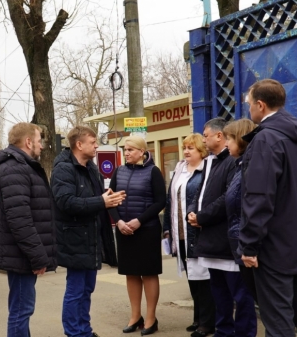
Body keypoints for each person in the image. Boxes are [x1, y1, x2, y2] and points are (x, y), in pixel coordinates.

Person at [239, 79, 297, 336]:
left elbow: (259, 196)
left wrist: (250, 244)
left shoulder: (265, 140)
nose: (248, 109)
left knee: (278, 322)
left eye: (249, 104)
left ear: (261, 105)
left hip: (272, 248)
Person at [51, 125, 124, 337]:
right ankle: (74, 333)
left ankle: (85, 329)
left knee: (87, 290)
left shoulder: (92, 168)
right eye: (92, 142)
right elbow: (65, 202)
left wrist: (106, 197)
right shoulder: (63, 169)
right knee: (75, 291)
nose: (96, 146)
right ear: (79, 144)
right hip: (74, 239)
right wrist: (100, 200)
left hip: (91, 238)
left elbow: (93, 199)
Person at [0, 122, 57, 337]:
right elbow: (20, 219)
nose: (41, 146)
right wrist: (38, 257)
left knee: (22, 308)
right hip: (20, 255)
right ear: (27, 142)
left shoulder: (18, 166)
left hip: (20, 253)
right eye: (38, 141)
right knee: (21, 309)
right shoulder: (15, 169)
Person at [188, 117, 256, 337]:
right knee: (219, 293)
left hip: (228, 241)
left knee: (240, 294)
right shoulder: (211, 161)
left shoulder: (235, 162)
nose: (204, 140)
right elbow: (202, 192)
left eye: (206, 135)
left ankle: (244, 333)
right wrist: (193, 212)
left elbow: (229, 198)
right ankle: (223, 331)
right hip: (210, 242)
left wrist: (203, 217)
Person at [109, 136, 166, 336]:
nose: (127, 153)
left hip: (147, 229)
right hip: (124, 230)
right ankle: (135, 316)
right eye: (125, 150)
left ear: (142, 152)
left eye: (131, 150)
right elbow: (111, 199)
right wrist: (119, 222)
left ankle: (151, 317)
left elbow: (160, 201)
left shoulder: (153, 172)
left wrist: (139, 220)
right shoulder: (119, 171)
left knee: (148, 273)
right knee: (131, 273)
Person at [163, 134, 216, 336]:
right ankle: (198, 317)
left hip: (198, 233)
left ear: (201, 151)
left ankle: (207, 322)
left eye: (190, 148)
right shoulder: (179, 170)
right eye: (184, 148)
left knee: (204, 279)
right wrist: (167, 228)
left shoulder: (206, 170)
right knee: (192, 278)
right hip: (181, 234)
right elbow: (170, 201)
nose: (186, 152)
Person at [223, 119, 258, 303]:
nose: (226, 143)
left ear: (240, 139)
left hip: (249, 247)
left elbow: (251, 208)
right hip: (240, 243)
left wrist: (248, 247)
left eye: (229, 138)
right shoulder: (239, 165)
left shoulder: (249, 166)